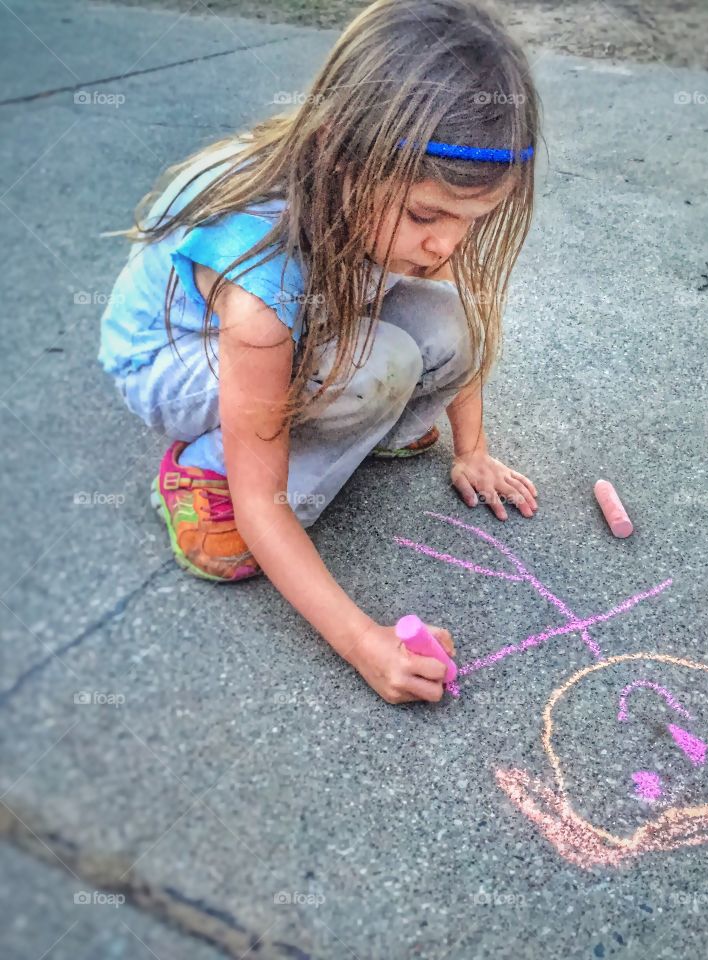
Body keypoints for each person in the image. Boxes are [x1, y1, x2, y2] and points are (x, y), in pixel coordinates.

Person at [97, 0, 542, 704]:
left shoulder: (387, 199)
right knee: (372, 368)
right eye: (427, 215)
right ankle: (199, 470)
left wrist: (473, 448)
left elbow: (458, 297)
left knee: (457, 326)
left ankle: (353, 421)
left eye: (471, 221)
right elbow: (262, 504)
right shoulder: (260, 271)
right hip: (171, 361)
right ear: (341, 154)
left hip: (291, 312)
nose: (446, 244)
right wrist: (367, 645)